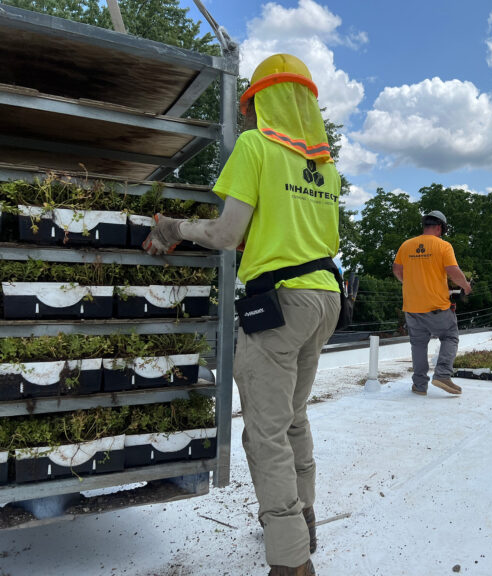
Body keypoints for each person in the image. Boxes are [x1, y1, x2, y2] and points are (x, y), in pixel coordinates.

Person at [143, 53, 341, 576]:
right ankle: (305, 518)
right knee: (294, 417)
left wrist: (174, 230)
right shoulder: (324, 168)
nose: (249, 117)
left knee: (264, 432)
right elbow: (289, 236)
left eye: (251, 105)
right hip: (325, 298)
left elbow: (228, 236)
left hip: (279, 306)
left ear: (262, 102)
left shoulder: (256, 146)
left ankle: (290, 559)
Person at [392, 210, 472, 396]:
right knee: (450, 336)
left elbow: (397, 269)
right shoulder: (443, 246)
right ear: (439, 227)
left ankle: (420, 386)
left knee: (418, 345)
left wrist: (409, 283)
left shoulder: (406, 245)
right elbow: (452, 270)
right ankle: (442, 374)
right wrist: (466, 286)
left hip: (412, 307)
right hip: (437, 306)